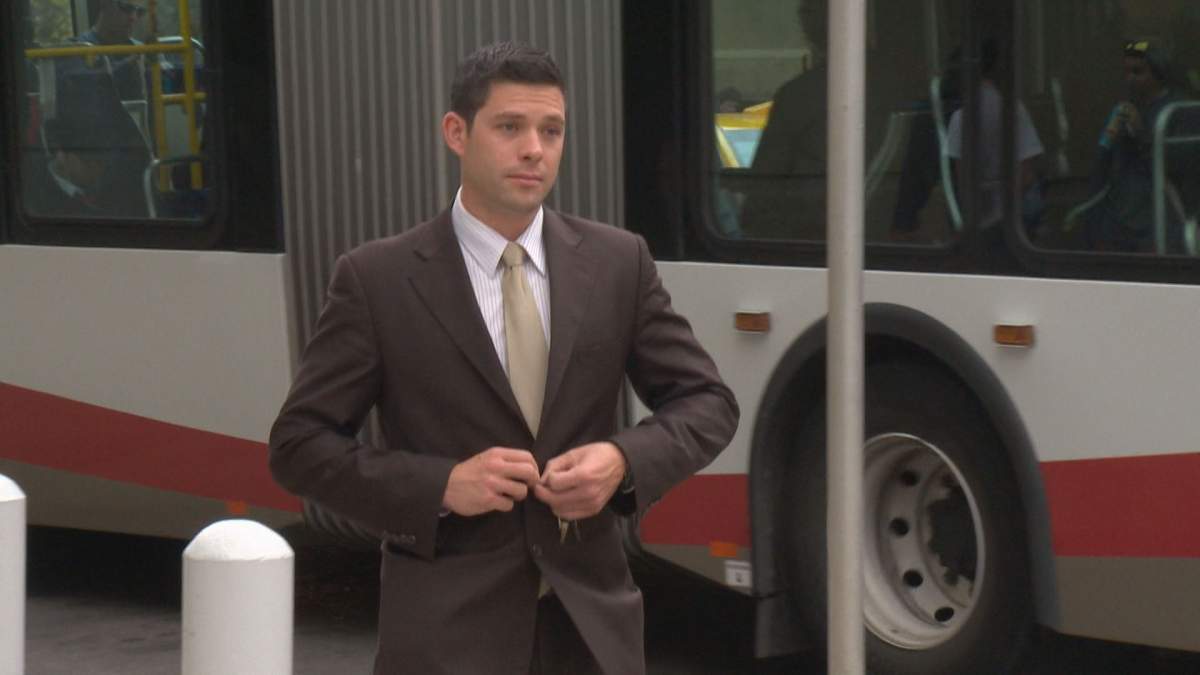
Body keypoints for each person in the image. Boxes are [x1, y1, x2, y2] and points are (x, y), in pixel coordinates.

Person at [269, 42, 738, 675]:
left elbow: (708, 402)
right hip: (446, 636)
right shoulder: (377, 280)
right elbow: (299, 445)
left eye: (552, 130)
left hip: (592, 631)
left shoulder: (619, 262)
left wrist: (622, 461)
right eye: (510, 127)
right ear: (456, 133)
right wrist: (441, 487)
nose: (534, 150)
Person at [1082, 39, 1196, 252]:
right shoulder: (1124, 109)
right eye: (1126, 72)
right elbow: (1101, 169)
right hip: (1118, 221)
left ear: (1159, 73)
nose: (1130, 79)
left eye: (1138, 72)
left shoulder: (1180, 111)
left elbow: (1180, 167)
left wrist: (1140, 133)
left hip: (1159, 222)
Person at [945, 39, 1044, 234]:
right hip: (1015, 219)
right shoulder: (1016, 110)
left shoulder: (959, 119)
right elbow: (1027, 172)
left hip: (980, 219)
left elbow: (962, 178)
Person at [73, 0, 149, 102]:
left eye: (139, 12)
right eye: (127, 8)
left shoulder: (143, 51)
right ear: (105, 3)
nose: (133, 18)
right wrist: (125, 69)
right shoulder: (77, 51)